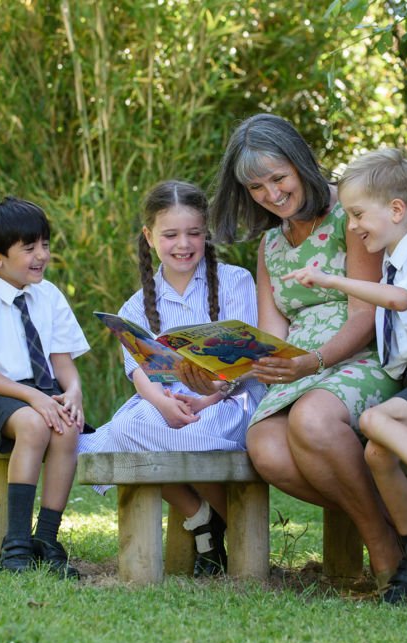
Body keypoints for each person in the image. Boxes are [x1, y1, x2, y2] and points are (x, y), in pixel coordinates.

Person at [203, 113, 404, 589]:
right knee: (265, 447)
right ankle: (397, 524)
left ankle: (382, 549)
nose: (271, 195)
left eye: (278, 178)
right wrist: (218, 376)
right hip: (301, 368)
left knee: (310, 420)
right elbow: (270, 336)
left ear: (300, 163)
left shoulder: (348, 217)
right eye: (256, 188)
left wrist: (311, 363)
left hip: (361, 357)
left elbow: (365, 314)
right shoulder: (271, 243)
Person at [282, 147, 407, 603]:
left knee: (374, 421)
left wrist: (332, 281)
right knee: (377, 453)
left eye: (358, 214)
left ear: (396, 209)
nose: (352, 226)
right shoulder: (394, 255)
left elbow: (397, 301)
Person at [78, 180, 266, 576]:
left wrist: (206, 398)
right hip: (166, 402)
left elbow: (244, 360)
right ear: (149, 237)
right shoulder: (135, 305)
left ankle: (222, 522)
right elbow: (140, 376)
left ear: (206, 234)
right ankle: (200, 516)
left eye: (194, 233)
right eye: (171, 234)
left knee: (194, 433)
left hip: (226, 399)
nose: (184, 244)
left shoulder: (235, 282)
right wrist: (163, 402)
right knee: (127, 430)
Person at [0, 197, 89, 578]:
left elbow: (63, 363)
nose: (41, 255)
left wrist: (72, 392)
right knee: (34, 423)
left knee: (67, 426)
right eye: (28, 248)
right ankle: (16, 543)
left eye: (44, 244)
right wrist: (33, 397)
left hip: (41, 391)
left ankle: (46, 538)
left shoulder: (50, 295)